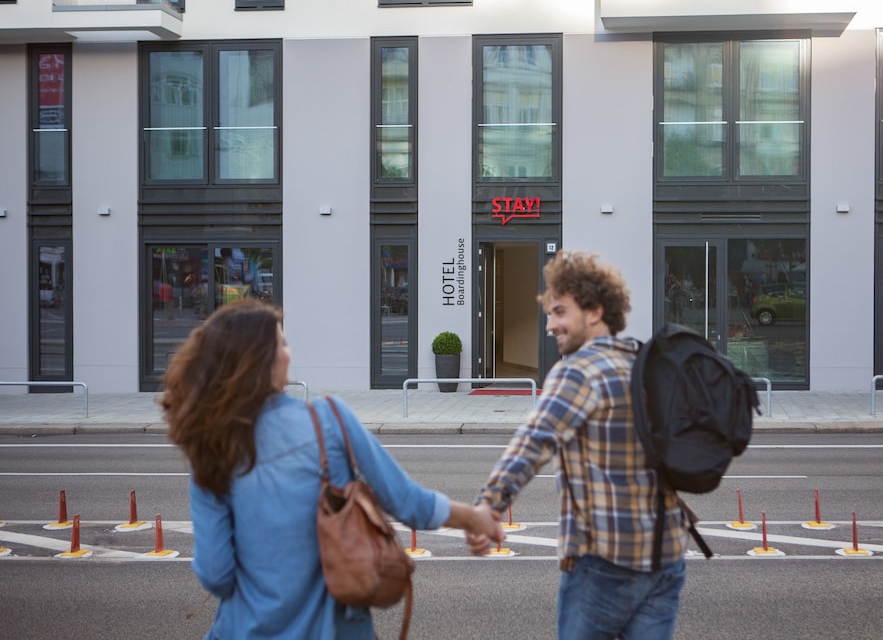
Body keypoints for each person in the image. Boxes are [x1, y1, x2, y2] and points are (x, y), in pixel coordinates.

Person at [160, 300, 504, 639]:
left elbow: (216, 575)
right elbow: (408, 502)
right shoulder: (329, 419)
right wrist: (475, 519)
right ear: (259, 359)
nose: (289, 353)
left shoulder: (211, 447)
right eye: (282, 344)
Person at [470, 250, 689, 639]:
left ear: (594, 312)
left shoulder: (578, 371)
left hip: (605, 560)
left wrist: (487, 507)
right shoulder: (642, 362)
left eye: (559, 312)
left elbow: (533, 443)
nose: (549, 324)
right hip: (666, 556)